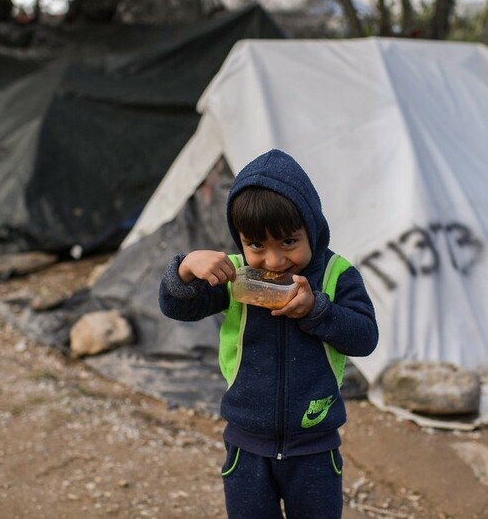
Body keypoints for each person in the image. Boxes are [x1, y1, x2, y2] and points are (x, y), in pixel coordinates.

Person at [158, 148, 378, 518]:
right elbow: (179, 307)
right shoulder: (233, 273)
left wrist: (317, 309)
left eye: (289, 242)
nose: (274, 261)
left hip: (315, 444)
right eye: (256, 245)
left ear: (312, 228)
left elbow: (365, 337)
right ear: (240, 238)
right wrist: (185, 270)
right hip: (247, 444)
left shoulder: (337, 274)